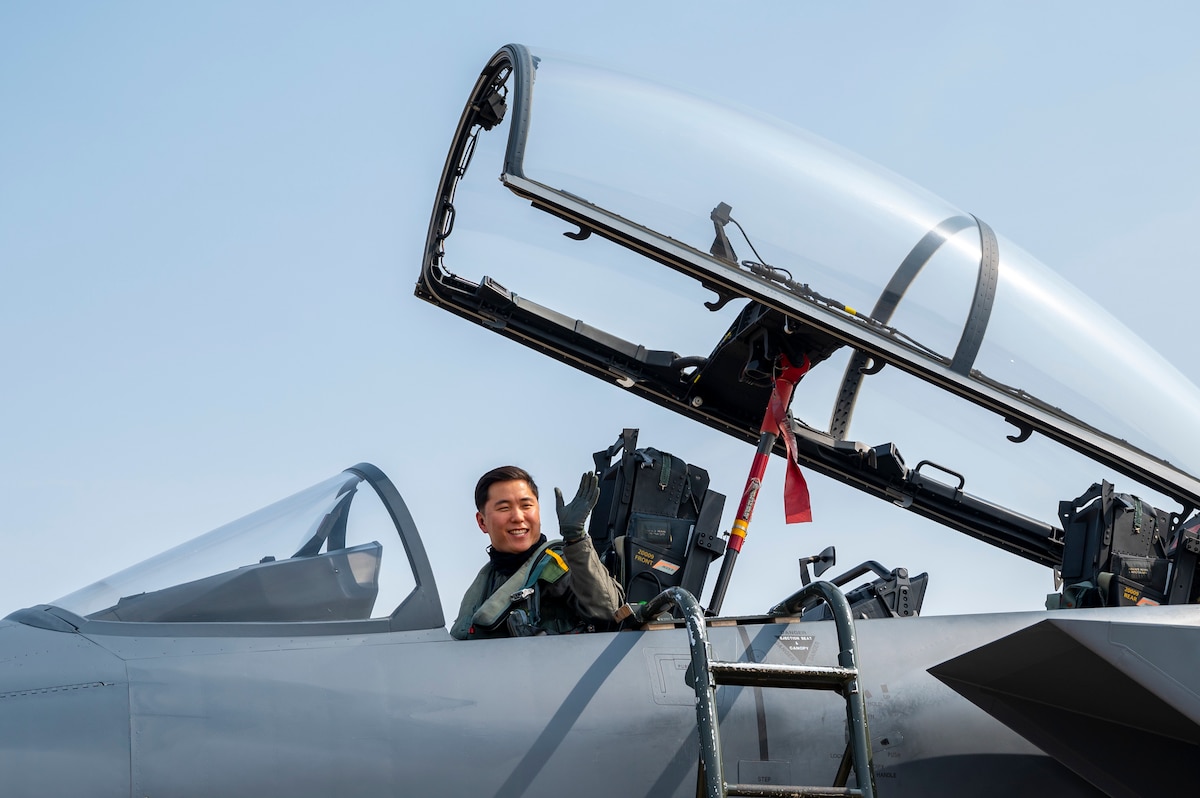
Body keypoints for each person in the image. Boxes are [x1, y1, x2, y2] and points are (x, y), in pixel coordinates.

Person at [450, 465, 625, 639]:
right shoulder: (488, 582)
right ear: (482, 522)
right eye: (504, 508)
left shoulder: (558, 564)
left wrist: (576, 538)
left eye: (526, 505)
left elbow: (608, 611)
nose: (518, 517)